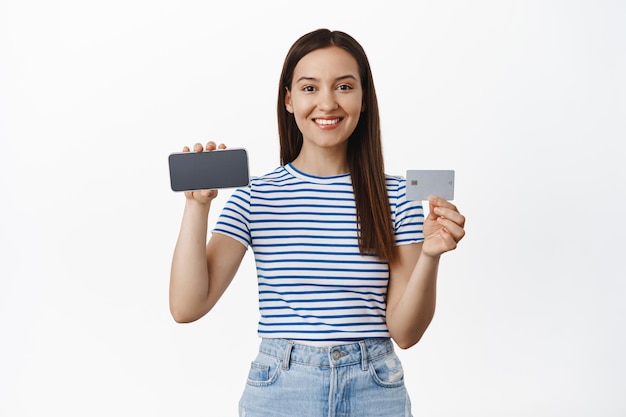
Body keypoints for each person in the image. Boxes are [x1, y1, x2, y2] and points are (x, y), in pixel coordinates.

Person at [169, 28, 466, 417]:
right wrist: (197, 207)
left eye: (344, 86)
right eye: (310, 88)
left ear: (363, 98)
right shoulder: (255, 196)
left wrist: (430, 256)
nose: (327, 103)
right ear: (289, 100)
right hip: (280, 390)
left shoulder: (397, 197)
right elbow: (186, 307)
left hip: (374, 389)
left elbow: (406, 333)